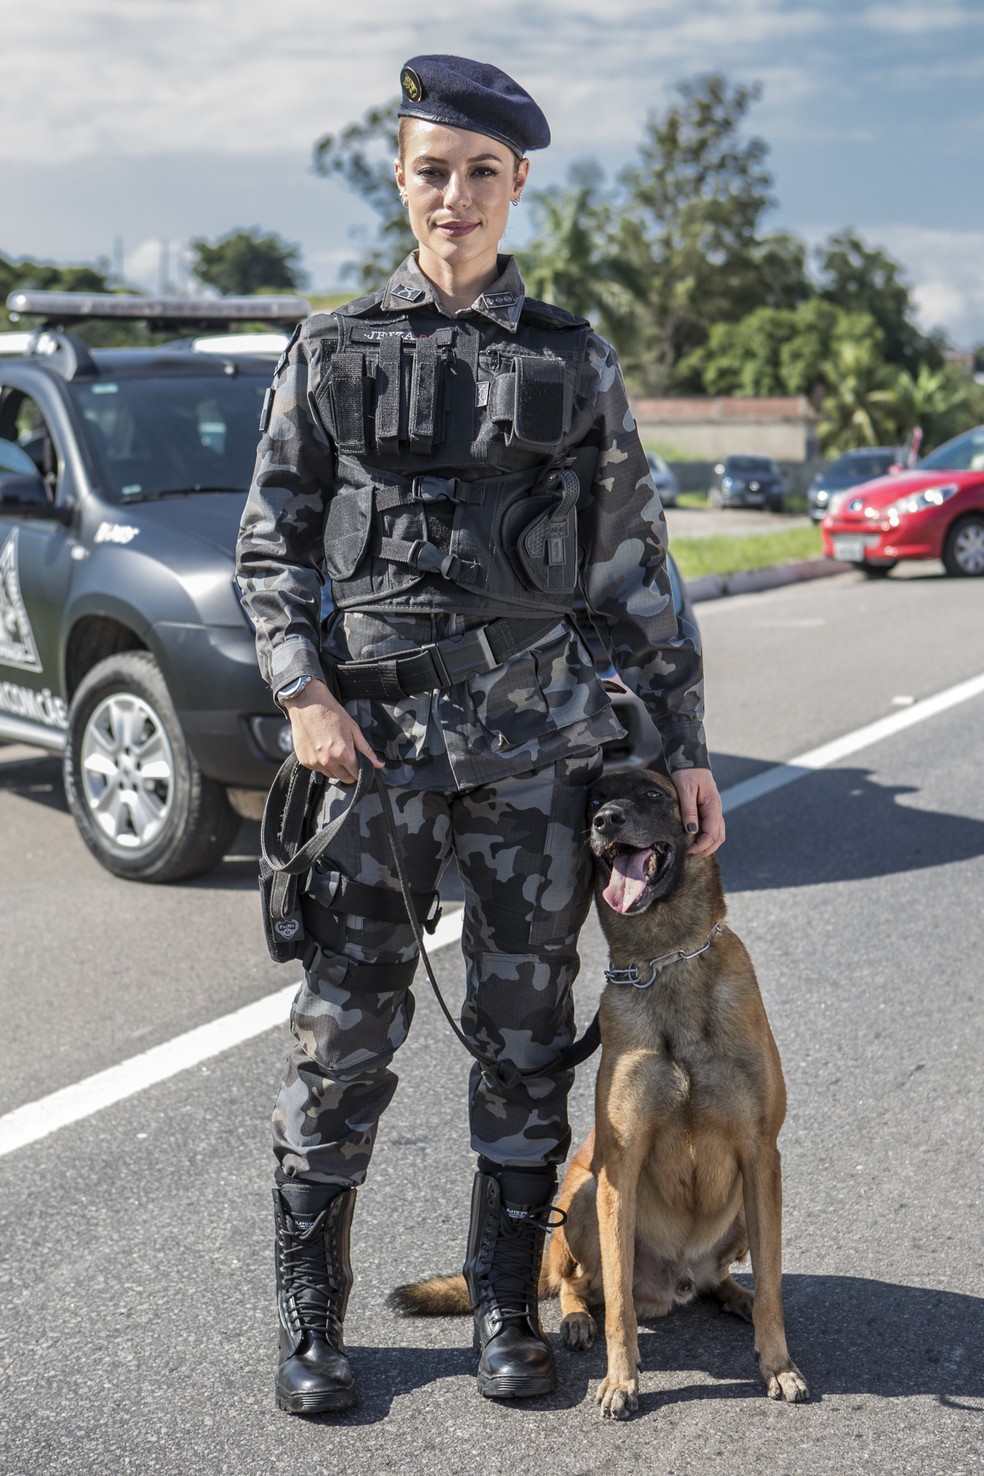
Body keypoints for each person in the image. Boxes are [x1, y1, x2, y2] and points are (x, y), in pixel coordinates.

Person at [236, 52, 725, 1417]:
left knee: (526, 1031)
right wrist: (301, 692)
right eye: (433, 170)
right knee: (343, 1037)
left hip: (534, 754)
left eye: (483, 174)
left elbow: (635, 565)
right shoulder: (332, 352)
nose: (456, 197)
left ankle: (506, 1306)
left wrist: (682, 748)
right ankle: (315, 1323)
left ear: (518, 187)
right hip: (368, 755)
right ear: (398, 178)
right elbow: (270, 540)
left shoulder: (573, 361)